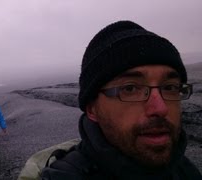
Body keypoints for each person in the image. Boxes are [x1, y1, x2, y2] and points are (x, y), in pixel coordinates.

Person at [40, 20, 202, 179]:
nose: (160, 109)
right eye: (130, 89)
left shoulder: (186, 170)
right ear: (92, 109)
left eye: (170, 88)